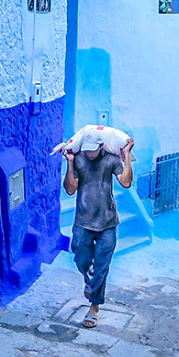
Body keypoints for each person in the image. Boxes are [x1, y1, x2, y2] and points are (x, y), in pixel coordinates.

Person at [63, 136, 134, 328]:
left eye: (92, 149)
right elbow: (70, 189)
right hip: (83, 221)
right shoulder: (78, 159)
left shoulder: (111, 159)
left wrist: (127, 156)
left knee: (102, 266)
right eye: (86, 149)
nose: (89, 153)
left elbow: (126, 183)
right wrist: (70, 163)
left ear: (101, 146)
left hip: (108, 222)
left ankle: (94, 307)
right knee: (81, 259)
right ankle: (90, 282)